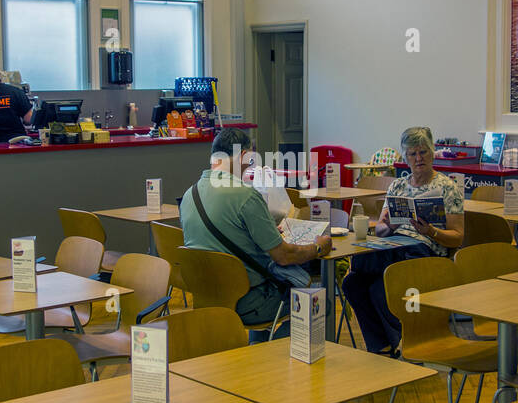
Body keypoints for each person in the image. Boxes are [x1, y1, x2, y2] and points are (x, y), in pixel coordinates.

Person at [180, 128, 331, 339]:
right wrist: (318, 247)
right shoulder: (245, 196)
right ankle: (272, 359)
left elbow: (223, 239)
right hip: (249, 302)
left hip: (208, 298)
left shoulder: (189, 195)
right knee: (320, 302)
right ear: (243, 155)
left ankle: (258, 352)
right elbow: (283, 256)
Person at [342, 126, 464, 355]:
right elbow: (379, 230)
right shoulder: (397, 185)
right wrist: (390, 226)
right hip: (394, 245)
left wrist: (430, 232)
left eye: (423, 152)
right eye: (412, 154)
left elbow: (457, 237)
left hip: (427, 252)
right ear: (406, 157)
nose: (418, 158)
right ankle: (382, 345)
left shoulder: (447, 187)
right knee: (352, 283)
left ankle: (393, 342)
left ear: (432, 152)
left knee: (380, 288)